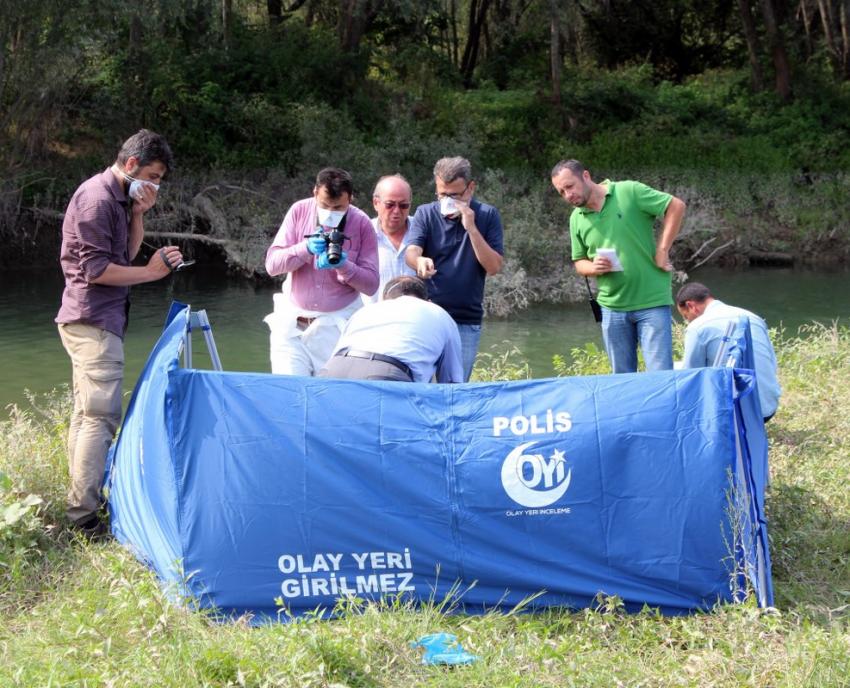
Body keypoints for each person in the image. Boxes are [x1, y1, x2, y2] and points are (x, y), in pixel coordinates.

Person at [55, 129, 183, 537]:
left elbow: (123, 254)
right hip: (91, 320)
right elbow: (97, 271)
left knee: (86, 415)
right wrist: (152, 272)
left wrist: (139, 214)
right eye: (154, 175)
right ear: (131, 165)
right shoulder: (95, 199)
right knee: (101, 417)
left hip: (97, 319)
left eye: (160, 179)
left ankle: (82, 500)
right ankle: (84, 517)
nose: (156, 184)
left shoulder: (119, 198)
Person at [551, 159, 686, 374]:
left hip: (651, 301)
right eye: (561, 192)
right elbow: (579, 263)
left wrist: (662, 250)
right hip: (611, 308)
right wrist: (593, 267)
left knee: (660, 377)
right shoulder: (576, 218)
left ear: (585, 176)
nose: (568, 195)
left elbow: (675, 206)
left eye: (570, 186)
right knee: (622, 381)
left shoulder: (628, 191)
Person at [264, 168, 379, 376]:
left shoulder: (362, 223)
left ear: (350, 199)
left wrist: (344, 265)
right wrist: (304, 249)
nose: (331, 212)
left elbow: (371, 285)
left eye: (339, 208)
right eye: (325, 205)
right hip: (293, 327)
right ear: (315, 192)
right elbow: (272, 265)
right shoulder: (299, 211)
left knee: (331, 398)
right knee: (290, 394)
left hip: (337, 330)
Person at [405, 157, 503, 381]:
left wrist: (472, 228)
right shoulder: (425, 213)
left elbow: (494, 266)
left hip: (466, 319)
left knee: (455, 389)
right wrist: (419, 261)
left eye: (454, 195)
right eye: (442, 194)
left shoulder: (488, 216)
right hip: (427, 316)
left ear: (470, 188)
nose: (447, 200)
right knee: (419, 385)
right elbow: (412, 252)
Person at [319, 276, 463, 383]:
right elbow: (451, 382)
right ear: (427, 301)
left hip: (334, 370)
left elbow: (335, 354)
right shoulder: (438, 313)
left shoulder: (366, 310)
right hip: (387, 375)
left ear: (385, 299)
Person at [676, 282, 781, 421]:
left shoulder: (697, 327)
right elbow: (772, 363)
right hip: (767, 408)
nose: (687, 321)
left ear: (691, 306)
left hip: (736, 414)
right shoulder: (753, 318)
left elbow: (691, 376)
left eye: (685, 316)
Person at [363, 174, 417, 304]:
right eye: (390, 205)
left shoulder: (423, 231)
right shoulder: (362, 234)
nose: (397, 211)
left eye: (403, 205)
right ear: (376, 203)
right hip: (375, 319)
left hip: (416, 318)